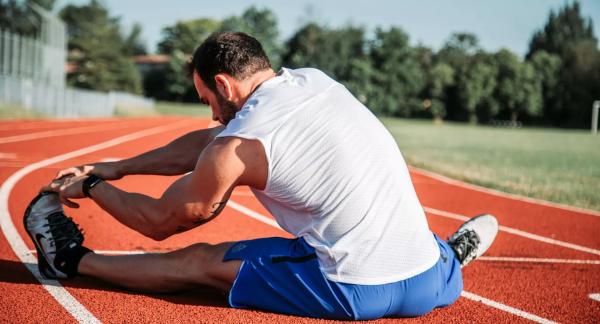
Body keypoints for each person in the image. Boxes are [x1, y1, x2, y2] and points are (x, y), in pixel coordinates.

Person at [24, 32, 498, 320]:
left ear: (225, 86)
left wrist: (92, 185)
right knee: (396, 222)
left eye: (206, 99)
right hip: (427, 283)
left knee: (198, 262)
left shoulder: (237, 145)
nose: (209, 113)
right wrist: (118, 167)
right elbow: (211, 142)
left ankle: (70, 262)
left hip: (352, 287)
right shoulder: (313, 81)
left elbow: (160, 221)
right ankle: (450, 257)